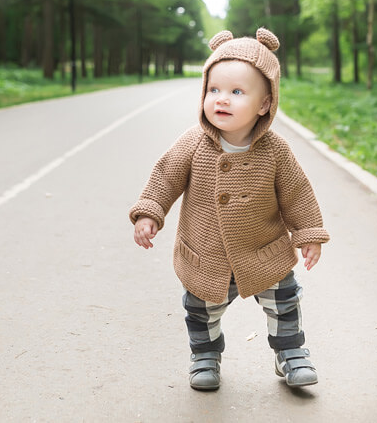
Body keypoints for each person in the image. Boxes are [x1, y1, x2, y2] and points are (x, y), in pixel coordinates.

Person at [129, 28, 330, 391]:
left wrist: (308, 234)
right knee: (201, 310)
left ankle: (291, 354)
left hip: (263, 251)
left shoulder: (275, 150)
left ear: (264, 104)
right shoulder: (193, 143)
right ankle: (205, 356)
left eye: (237, 92)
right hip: (206, 254)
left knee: (284, 302)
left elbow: (297, 193)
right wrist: (150, 211)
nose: (221, 99)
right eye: (214, 90)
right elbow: (166, 176)